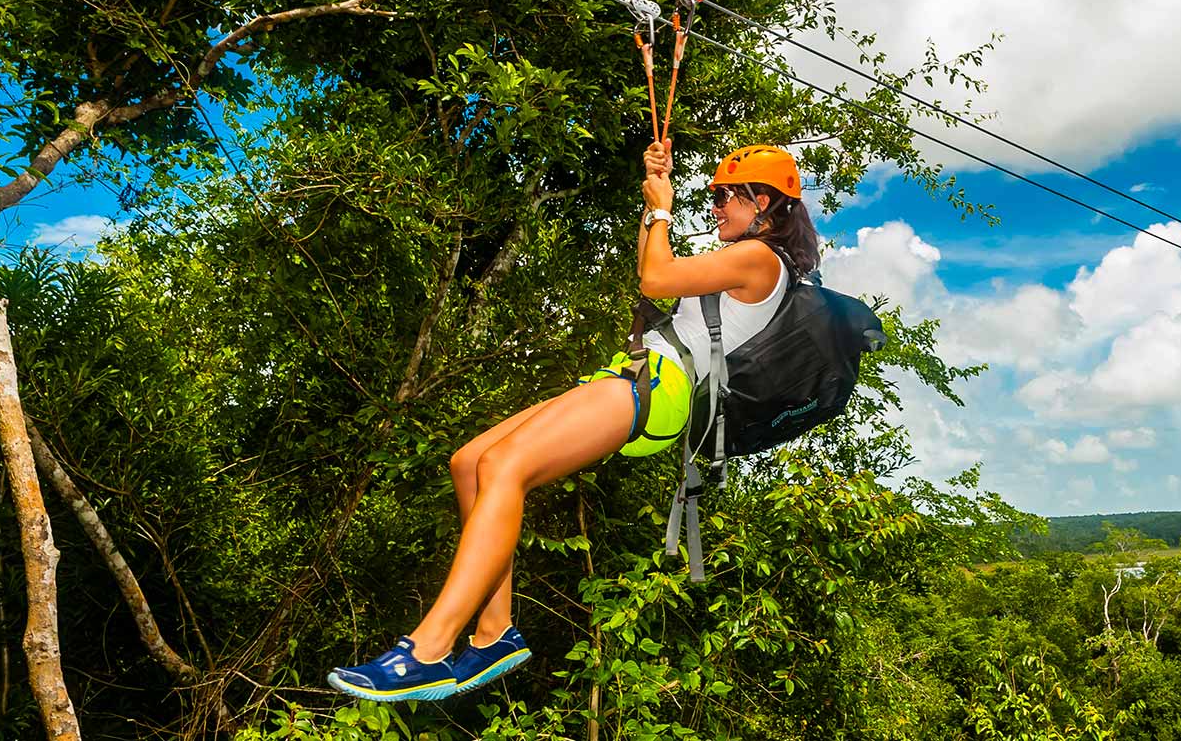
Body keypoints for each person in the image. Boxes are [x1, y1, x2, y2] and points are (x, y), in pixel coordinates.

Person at [326, 140, 821, 701]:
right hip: (632, 376)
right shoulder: (742, 258)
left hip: (659, 389)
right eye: (713, 195)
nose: (715, 206)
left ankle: (430, 647)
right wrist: (650, 201)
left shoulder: (762, 260)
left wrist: (664, 208)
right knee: (469, 464)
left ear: (766, 203)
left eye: (727, 196)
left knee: (504, 465)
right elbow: (649, 269)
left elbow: (657, 280)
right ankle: (493, 637)